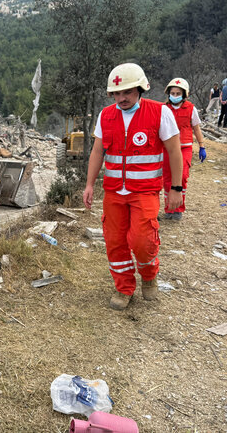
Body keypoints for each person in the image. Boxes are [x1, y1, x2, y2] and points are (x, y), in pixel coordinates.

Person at [83, 63, 182, 310]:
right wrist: (89, 185)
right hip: (114, 192)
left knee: (143, 241)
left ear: (140, 89)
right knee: (114, 242)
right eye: (116, 93)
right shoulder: (106, 115)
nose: (121, 98)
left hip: (145, 191)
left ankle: (149, 276)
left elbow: (174, 151)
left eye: (126, 92)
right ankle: (123, 288)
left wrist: (176, 189)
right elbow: (97, 151)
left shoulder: (160, 113)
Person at [161, 78, 207, 220]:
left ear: (184, 94)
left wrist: (202, 146)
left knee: (182, 177)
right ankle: (169, 208)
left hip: (184, 147)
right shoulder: (163, 109)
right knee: (167, 178)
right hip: (167, 148)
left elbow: (196, 128)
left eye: (178, 93)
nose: (175, 96)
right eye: (172, 93)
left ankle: (179, 208)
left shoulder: (191, 109)